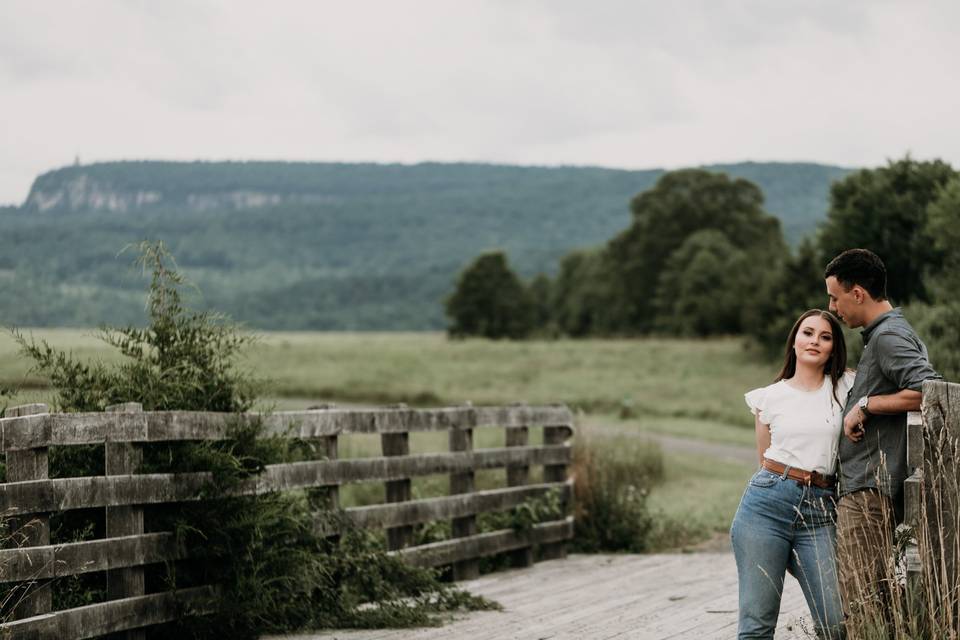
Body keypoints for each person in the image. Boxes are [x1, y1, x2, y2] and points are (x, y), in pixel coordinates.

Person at [824, 248, 940, 624]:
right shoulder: (886, 335)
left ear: (858, 293)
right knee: (872, 601)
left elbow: (930, 390)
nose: (832, 306)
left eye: (834, 296)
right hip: (867, 487)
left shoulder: (889, 336)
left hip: (869, 493)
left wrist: (867, 405)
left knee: (861, 606)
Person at [731, 309, 852, 639]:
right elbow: (763, 460)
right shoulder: (769, 397)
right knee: (757, 626)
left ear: (833, 348)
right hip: (766, 506)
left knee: (836, 624)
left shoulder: (844, 386)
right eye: (808, 333)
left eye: (825, 336)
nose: (815, 340)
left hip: (820, 511)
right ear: (795, 341)